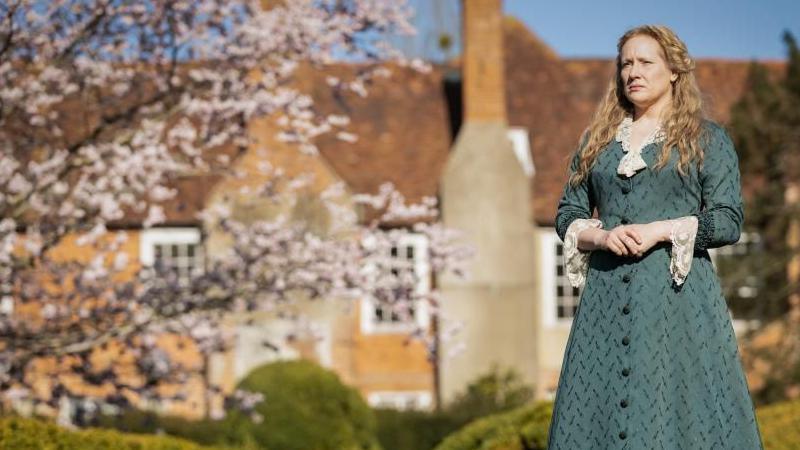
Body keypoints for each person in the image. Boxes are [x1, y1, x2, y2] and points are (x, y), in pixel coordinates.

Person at [546, 24, 764, 449]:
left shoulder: (706, 140)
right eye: (626, 63)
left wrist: (661, 230)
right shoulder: (598, 142)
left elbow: (728, 220)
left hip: (677, 306)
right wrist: (603, 238)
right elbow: (567, 214)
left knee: (679, 414)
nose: (633, 71)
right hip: (604, 309)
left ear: (674, 72)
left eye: (646, 62)